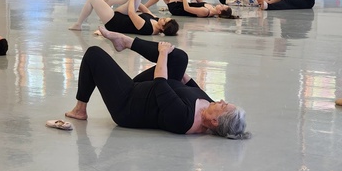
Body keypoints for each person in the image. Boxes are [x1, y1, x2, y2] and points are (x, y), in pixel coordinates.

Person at [65, 26, 251, 139]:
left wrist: (162, 54)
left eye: (225, 106)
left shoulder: (184, 120)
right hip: (144, 92)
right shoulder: (209, 106)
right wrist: (174, 62)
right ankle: (125, 41)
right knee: (179, 57)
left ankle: (80, 109)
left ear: (215, 122)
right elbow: (191, 85)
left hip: (128, 103)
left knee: (94, 54)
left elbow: (160, 83)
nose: (222, 101)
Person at [69, 0, 179, 36]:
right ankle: (110, 1)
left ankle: (78, 24)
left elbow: (132, 13)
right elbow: (146, 10)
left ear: (163, 29)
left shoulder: (148, 28)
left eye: (164, 21)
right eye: (165, 19)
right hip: (122, 15)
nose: (162, 19)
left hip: (114, 22)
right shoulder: (156, 21)